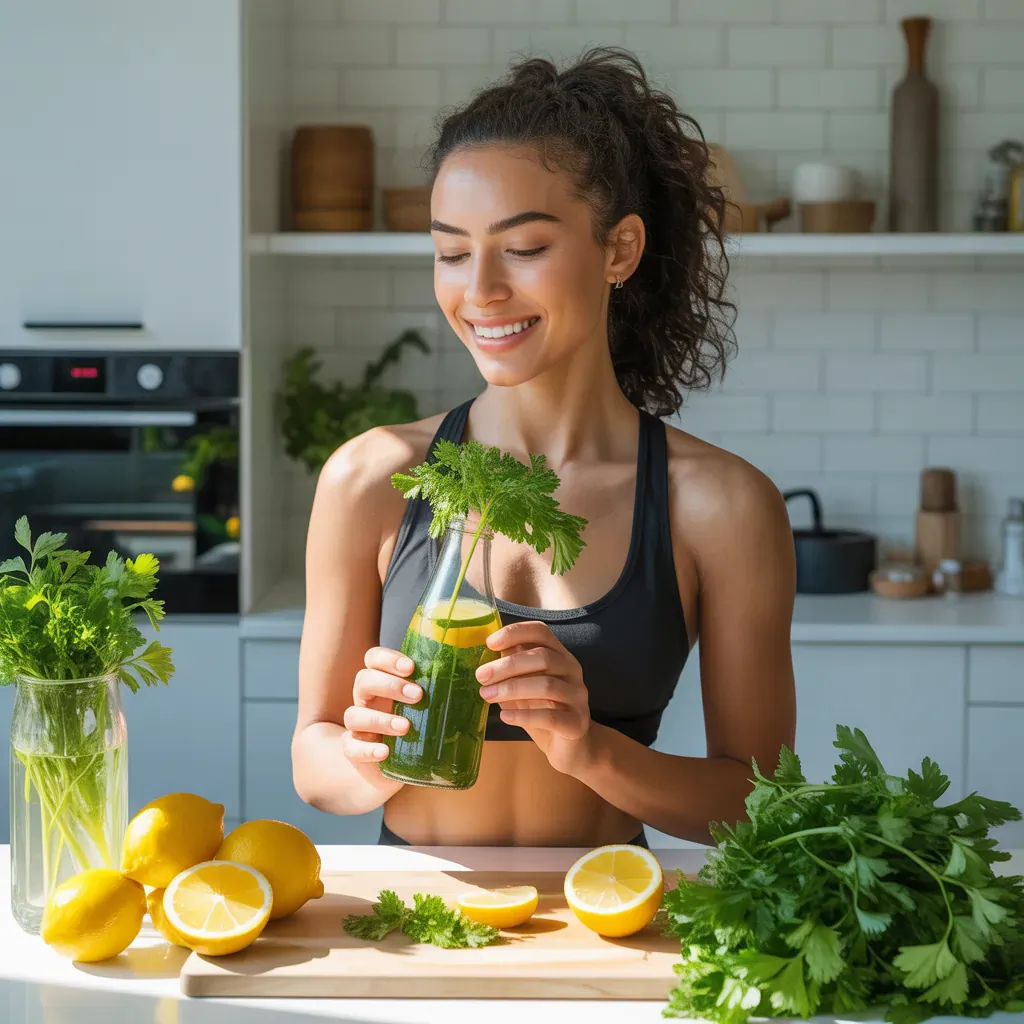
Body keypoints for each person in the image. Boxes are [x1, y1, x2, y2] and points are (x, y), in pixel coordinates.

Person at [292, 47, 796, 848]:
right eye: (452, 252)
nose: (480, 290)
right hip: (410, 923)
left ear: (619, 250)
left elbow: (760, 801)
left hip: (606, 922)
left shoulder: (721, 505)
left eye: (523, 248)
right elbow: (313, 761)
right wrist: (372, 756)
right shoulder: (371, 478)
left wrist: (588, 748)